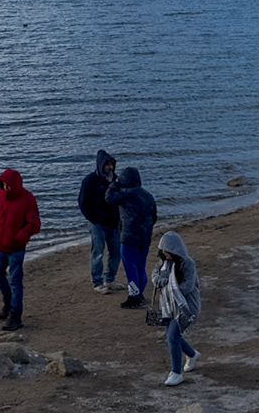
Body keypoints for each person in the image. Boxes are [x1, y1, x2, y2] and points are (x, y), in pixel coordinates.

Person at [0, 168, 40, 331]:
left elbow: (34, 224)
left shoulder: (27, 198)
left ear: (15, 184)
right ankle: (8, 303)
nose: (5, 187)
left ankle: (16, 316)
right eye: (3, 184)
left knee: (15, 282)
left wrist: (20, 237)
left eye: (7, 184)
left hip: (16, 248)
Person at [153, 230, 202, 386]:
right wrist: (165, 283)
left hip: (186, 306)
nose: (164, 253)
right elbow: (155, 276)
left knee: (172, 336)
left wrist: (166, 286)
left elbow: (186, 288)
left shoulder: (188, 264)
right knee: (171, 335)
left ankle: (176, 372)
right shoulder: (163, 262)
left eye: (167, 250)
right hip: (168, 305)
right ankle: (192, 354)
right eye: (162, 250)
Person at [105, 164, 157, 310]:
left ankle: (134, 296)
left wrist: (114, 184)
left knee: (130, 266)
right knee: (140, 265)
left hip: (129, 236)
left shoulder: (125, 194)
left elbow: (108, 198)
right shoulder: (148, 196)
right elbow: (154, 217)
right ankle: (139, 294)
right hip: (145, 237)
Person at [77, 150, 121, 293]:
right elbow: (83, 203)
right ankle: (97, 282)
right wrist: (93, 218)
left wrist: (121, 219)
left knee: (115, 253)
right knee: (97, 253)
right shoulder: (89, 181)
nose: (110, 167)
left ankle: (110, 279)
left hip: (114, 222)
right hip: (97, 224)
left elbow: (122, 199)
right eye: (107, 164)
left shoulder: (116, 180)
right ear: (100, 165)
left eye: (111, 164)